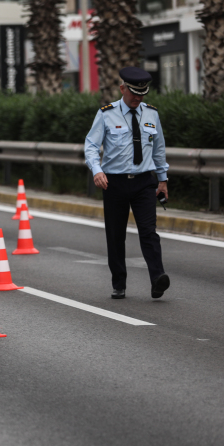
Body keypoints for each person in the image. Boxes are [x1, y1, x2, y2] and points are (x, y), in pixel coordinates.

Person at [84, 66, 171, 300]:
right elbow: (91, 145)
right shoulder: (106, 114)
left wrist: (162, 180)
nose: (138, 98)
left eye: (142, 94)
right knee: (115, 235)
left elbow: (159, 149)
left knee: (149, 232)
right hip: (114, 183)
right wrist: (97, 170)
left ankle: (158, 278)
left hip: (144, 182)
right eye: (134, 93)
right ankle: (119, 283)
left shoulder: (151, 114)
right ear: (122, 88)